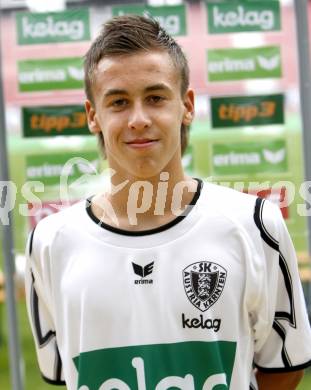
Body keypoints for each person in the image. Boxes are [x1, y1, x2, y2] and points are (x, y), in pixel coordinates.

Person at [25, 15, 311, 390]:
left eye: (155, 97)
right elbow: (68, 374)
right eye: (119, 102)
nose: (139, 119)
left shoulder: (256, 225)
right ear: (93, 116)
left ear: (187, 105)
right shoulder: (51, 241)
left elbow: (283, 366)